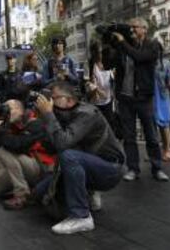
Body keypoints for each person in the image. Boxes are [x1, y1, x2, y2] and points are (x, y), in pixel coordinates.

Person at [34, 82, 124, 235]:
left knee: (68, 155)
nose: (48, 102)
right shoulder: (61, 114)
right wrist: (44, 119)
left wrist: (49, 115)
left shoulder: (87, 113)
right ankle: (89, 193)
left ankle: (81, 216)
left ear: (69, 100)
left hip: (111, 169)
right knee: (39, 192)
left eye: (52, 98)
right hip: (90, 165)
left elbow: (62, 143)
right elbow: (50, 147)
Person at [112, 17, 169, 181]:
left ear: (144, 29)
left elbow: (139, 57)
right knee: (129, 136)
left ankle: (157, 168)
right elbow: (111, 64)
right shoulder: (123, 47)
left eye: (134, 27)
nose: (131, 30)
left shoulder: (152, 45)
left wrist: (123, 43)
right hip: (126, 98)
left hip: (143, 97)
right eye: (129, 28)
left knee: (151, 134)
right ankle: (133, 169)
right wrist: (112, 44)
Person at [0, 99, 55, 209]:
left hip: (41, 167)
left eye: (10, 109)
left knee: (3, 151)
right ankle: (27, 186)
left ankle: (22, 195)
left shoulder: (36, 123)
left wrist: (0, 129)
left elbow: (18, 144)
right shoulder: (12, 124)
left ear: (20, 110)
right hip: (24, 166)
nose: (7, 112)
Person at [85, 41, 116, 133]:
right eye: (98, 52)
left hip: (108, 101)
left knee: (110, 127)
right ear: (93, 52)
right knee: (98, 128)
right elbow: (86, 83)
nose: (101, 54)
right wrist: (97, 90)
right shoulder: (89, 64)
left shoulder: (108, 62)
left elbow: (113, 78)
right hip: (95, 102)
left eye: (102, 51)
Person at [154, 43, 170, 161]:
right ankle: (154, 151)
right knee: (152, 125)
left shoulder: (167, 63)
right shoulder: (148, 63)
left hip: (162, 96)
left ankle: (167, 149)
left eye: (156, 49)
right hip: (151, 96)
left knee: (164, 124)